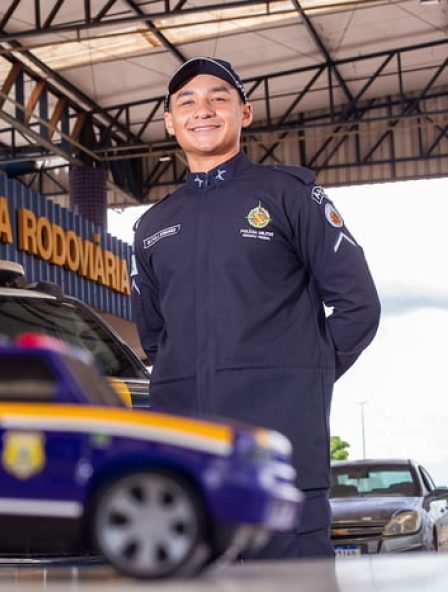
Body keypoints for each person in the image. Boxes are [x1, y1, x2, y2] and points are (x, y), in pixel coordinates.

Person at [131, 57, 380, 559]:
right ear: (169, 121)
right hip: (188, 463)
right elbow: (156, 336)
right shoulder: (152, 225)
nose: (203, 110)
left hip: (281, 457)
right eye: (187, 102)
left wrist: (302, 377)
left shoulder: (290, 194)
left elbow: (358, 305)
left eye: (218, 98)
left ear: (244, 113)